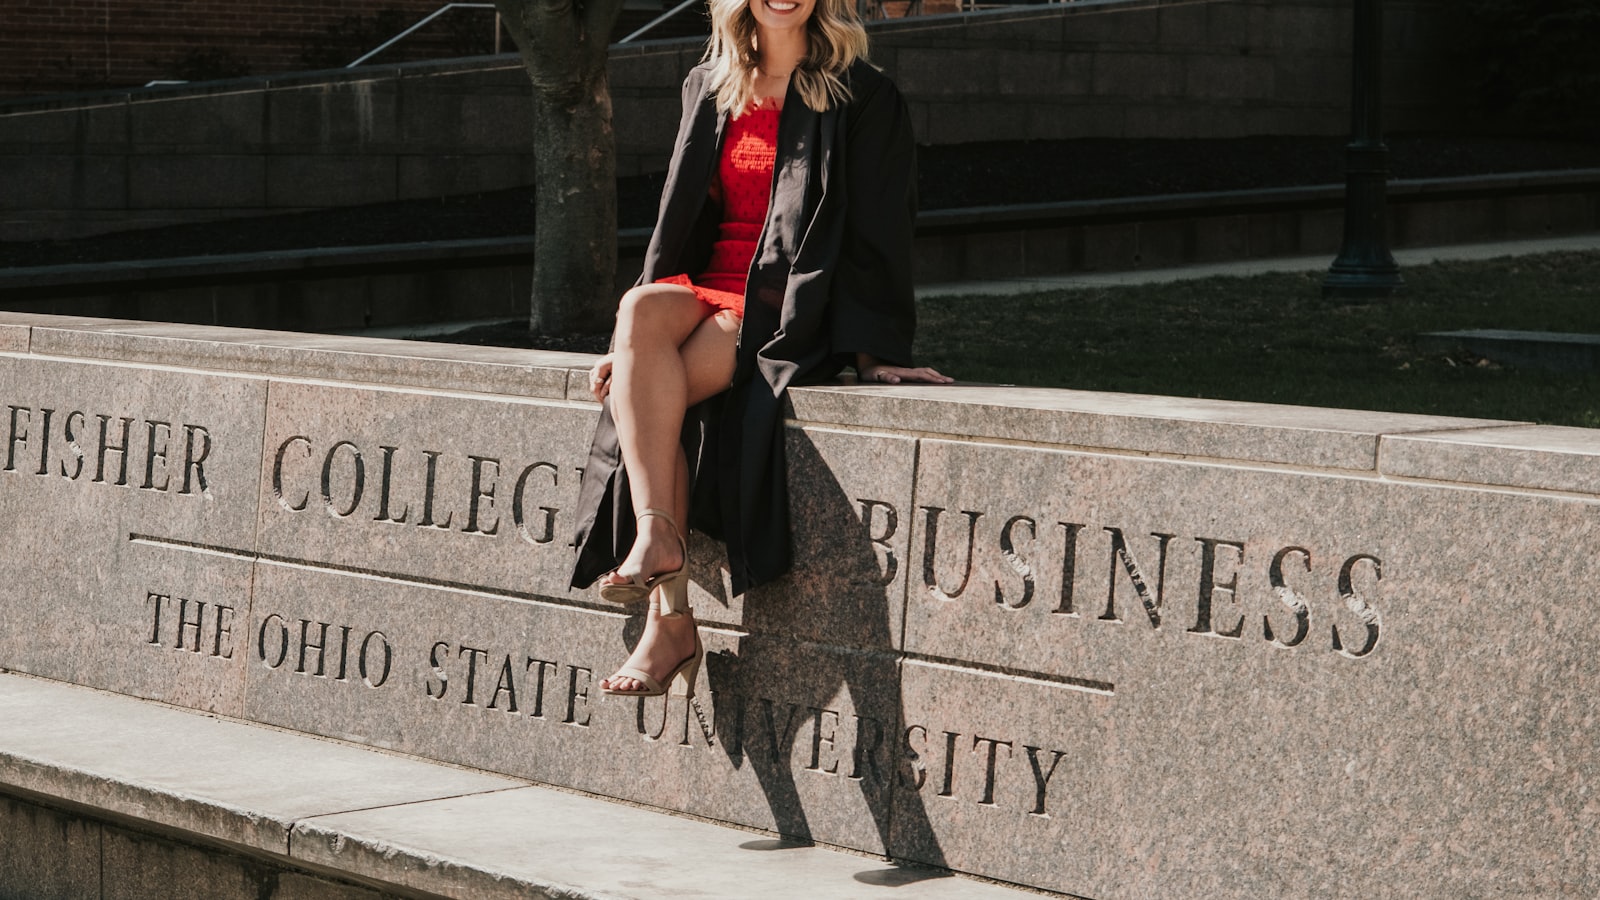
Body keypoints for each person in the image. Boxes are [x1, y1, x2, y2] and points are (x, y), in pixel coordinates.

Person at [569, 0, 951, 698]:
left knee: (653, 406)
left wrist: (875, 351)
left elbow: (881, 227)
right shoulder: (710, 85)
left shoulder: (861, 95)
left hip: (784, 303)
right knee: (638, 308)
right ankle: (660, 544)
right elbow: (675, 222)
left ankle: (671, 617)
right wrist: (631, 347)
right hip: (702, 288)